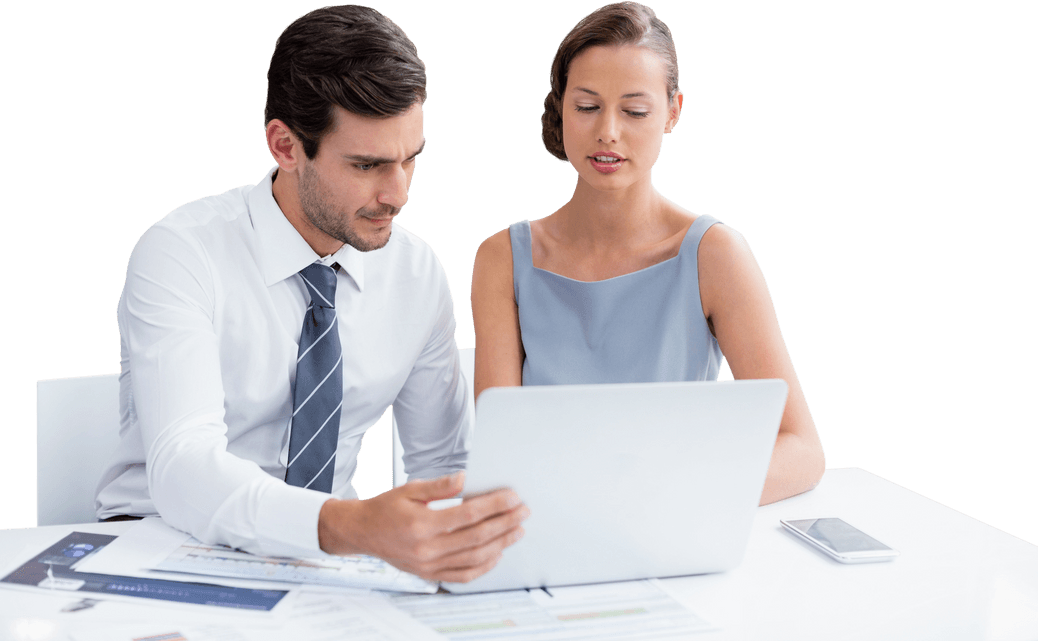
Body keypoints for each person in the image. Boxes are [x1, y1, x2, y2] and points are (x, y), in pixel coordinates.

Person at [95, 5, 527, 583]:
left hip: (324, 564)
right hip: (159, 547)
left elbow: (442, 466)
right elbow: (184, 469)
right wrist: (354, 527)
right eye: (368, 165)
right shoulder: (182, 252)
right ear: (286, 146)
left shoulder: (415, 271)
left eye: (411, 160)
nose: (398, 195)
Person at [471, 1, 826, 505]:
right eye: (587, 107)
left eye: (634, 111)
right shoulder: (502, 258)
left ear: (673, 112)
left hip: (672, 522)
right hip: (548, 523)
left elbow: (802, 449)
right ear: (561, 106)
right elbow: (501, 451)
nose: (608, 132)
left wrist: (671, 495)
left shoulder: (714, 255)